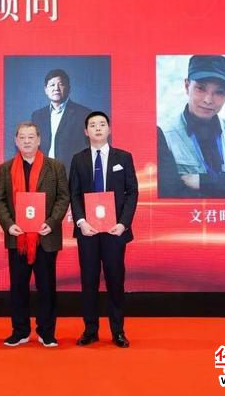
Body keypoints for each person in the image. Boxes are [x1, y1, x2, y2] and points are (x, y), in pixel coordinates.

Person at [0, 122, 69, 347]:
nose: (26, 141)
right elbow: (0, 201)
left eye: (31, 137)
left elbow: (63, 197)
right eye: (22, 137)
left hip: (45, 237)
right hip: (17, 237)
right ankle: (20, 331)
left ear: (39, 139)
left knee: (46, 287)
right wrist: (9, 225)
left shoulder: (55, 167)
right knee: (18, 287)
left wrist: (51, 222)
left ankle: (46, 331)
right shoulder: (6, 168)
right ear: (16, 141)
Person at [69, 111, 138, 348]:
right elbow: (74, 194)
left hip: (114, 231)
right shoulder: (78, 159)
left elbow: (132, 192)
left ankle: (118, 331)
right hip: (88, 231)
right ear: (86, 131)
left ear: (109, 129)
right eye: (92, 125)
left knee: (115, 280)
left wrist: (123, 223)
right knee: (89, 281)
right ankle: (90, 330)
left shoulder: (124, 157)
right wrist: (81, 222)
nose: (97, 128)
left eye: (102, 124)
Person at [157, 55, 225, 198]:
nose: (208, 100)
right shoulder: (162, 134)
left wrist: (203, 182)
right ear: (187, 86)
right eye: (201, 88)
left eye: (219, 92)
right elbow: (169, 194)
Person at [31, 69, 92, 170]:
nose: (56, 88)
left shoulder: (84, 114)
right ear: (46, 90)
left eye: (61, 84)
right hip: (44, 172)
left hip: (71, 172)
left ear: (69, 88)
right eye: (52, 85)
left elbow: (88, 148)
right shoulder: (37, 116)